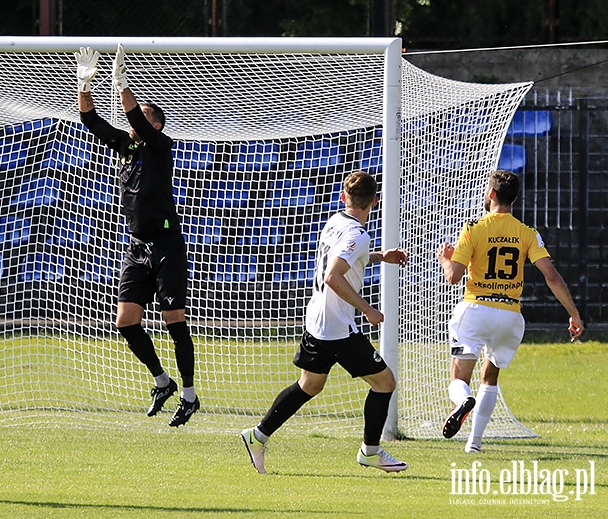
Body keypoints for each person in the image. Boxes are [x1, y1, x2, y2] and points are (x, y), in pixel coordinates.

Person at [241, 171, 409, 474]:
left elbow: (343, 259)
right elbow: (334, 275)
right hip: (338, 328)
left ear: (344, 197)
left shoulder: (335, 221)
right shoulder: (358, 234)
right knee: (385, 383)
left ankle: (257, 436)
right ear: (376, 201)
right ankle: (370, 452)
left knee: (310, 384)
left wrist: (381, 256)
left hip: (316, 319)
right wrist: (368, 310)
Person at [75, 44, 199, 427]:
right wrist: (85, 84)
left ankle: (190, 395)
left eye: (142, 120)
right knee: (126, 320)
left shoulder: (161, 147)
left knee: (173, 319)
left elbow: (138, 119)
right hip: (138, 246)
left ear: (156, 125)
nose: (133, 125)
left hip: (166, 245)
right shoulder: (127, 148)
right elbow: (91, 121)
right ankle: (162, 382)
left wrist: (122, 85)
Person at [436, 169, 584, 452]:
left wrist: (446, 259)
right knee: (490, 377)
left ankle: (464, 400)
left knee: (458, 378)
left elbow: (453, 276)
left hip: (477, 307)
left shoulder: (474, 227)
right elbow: (551, 275)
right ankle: (475, 444)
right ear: (514, 199)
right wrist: (574, 313)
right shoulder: (527, 233)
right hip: (510, 315)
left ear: (491, 194)